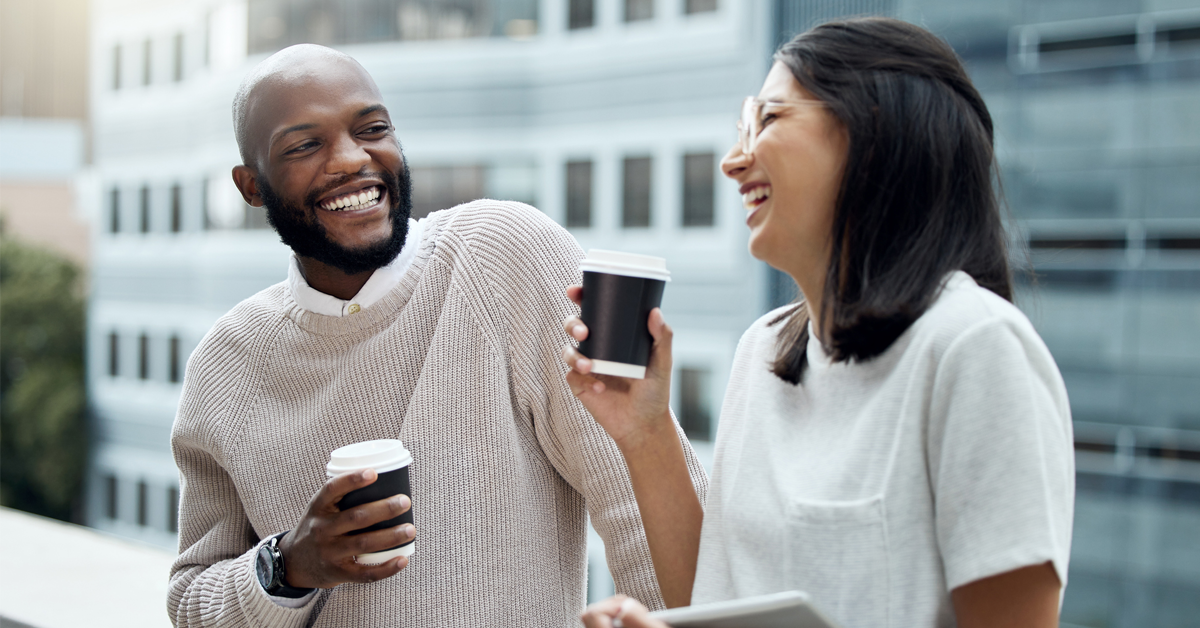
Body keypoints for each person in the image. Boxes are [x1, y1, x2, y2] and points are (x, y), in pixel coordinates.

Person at [168, 44, 708, 628]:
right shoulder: (225, 365)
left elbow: (638, 506)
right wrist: (289, 564)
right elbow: (191, 600)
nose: (351, 159)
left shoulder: (507, 256)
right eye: (305, 145)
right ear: (252, 186)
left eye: (372, 128)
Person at [564, 17, 1075, 628]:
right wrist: (644, 433)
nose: (733, 161)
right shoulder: (764, 352)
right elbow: (721, 602)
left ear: (876, 135)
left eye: (769, 120)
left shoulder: (975, 347)